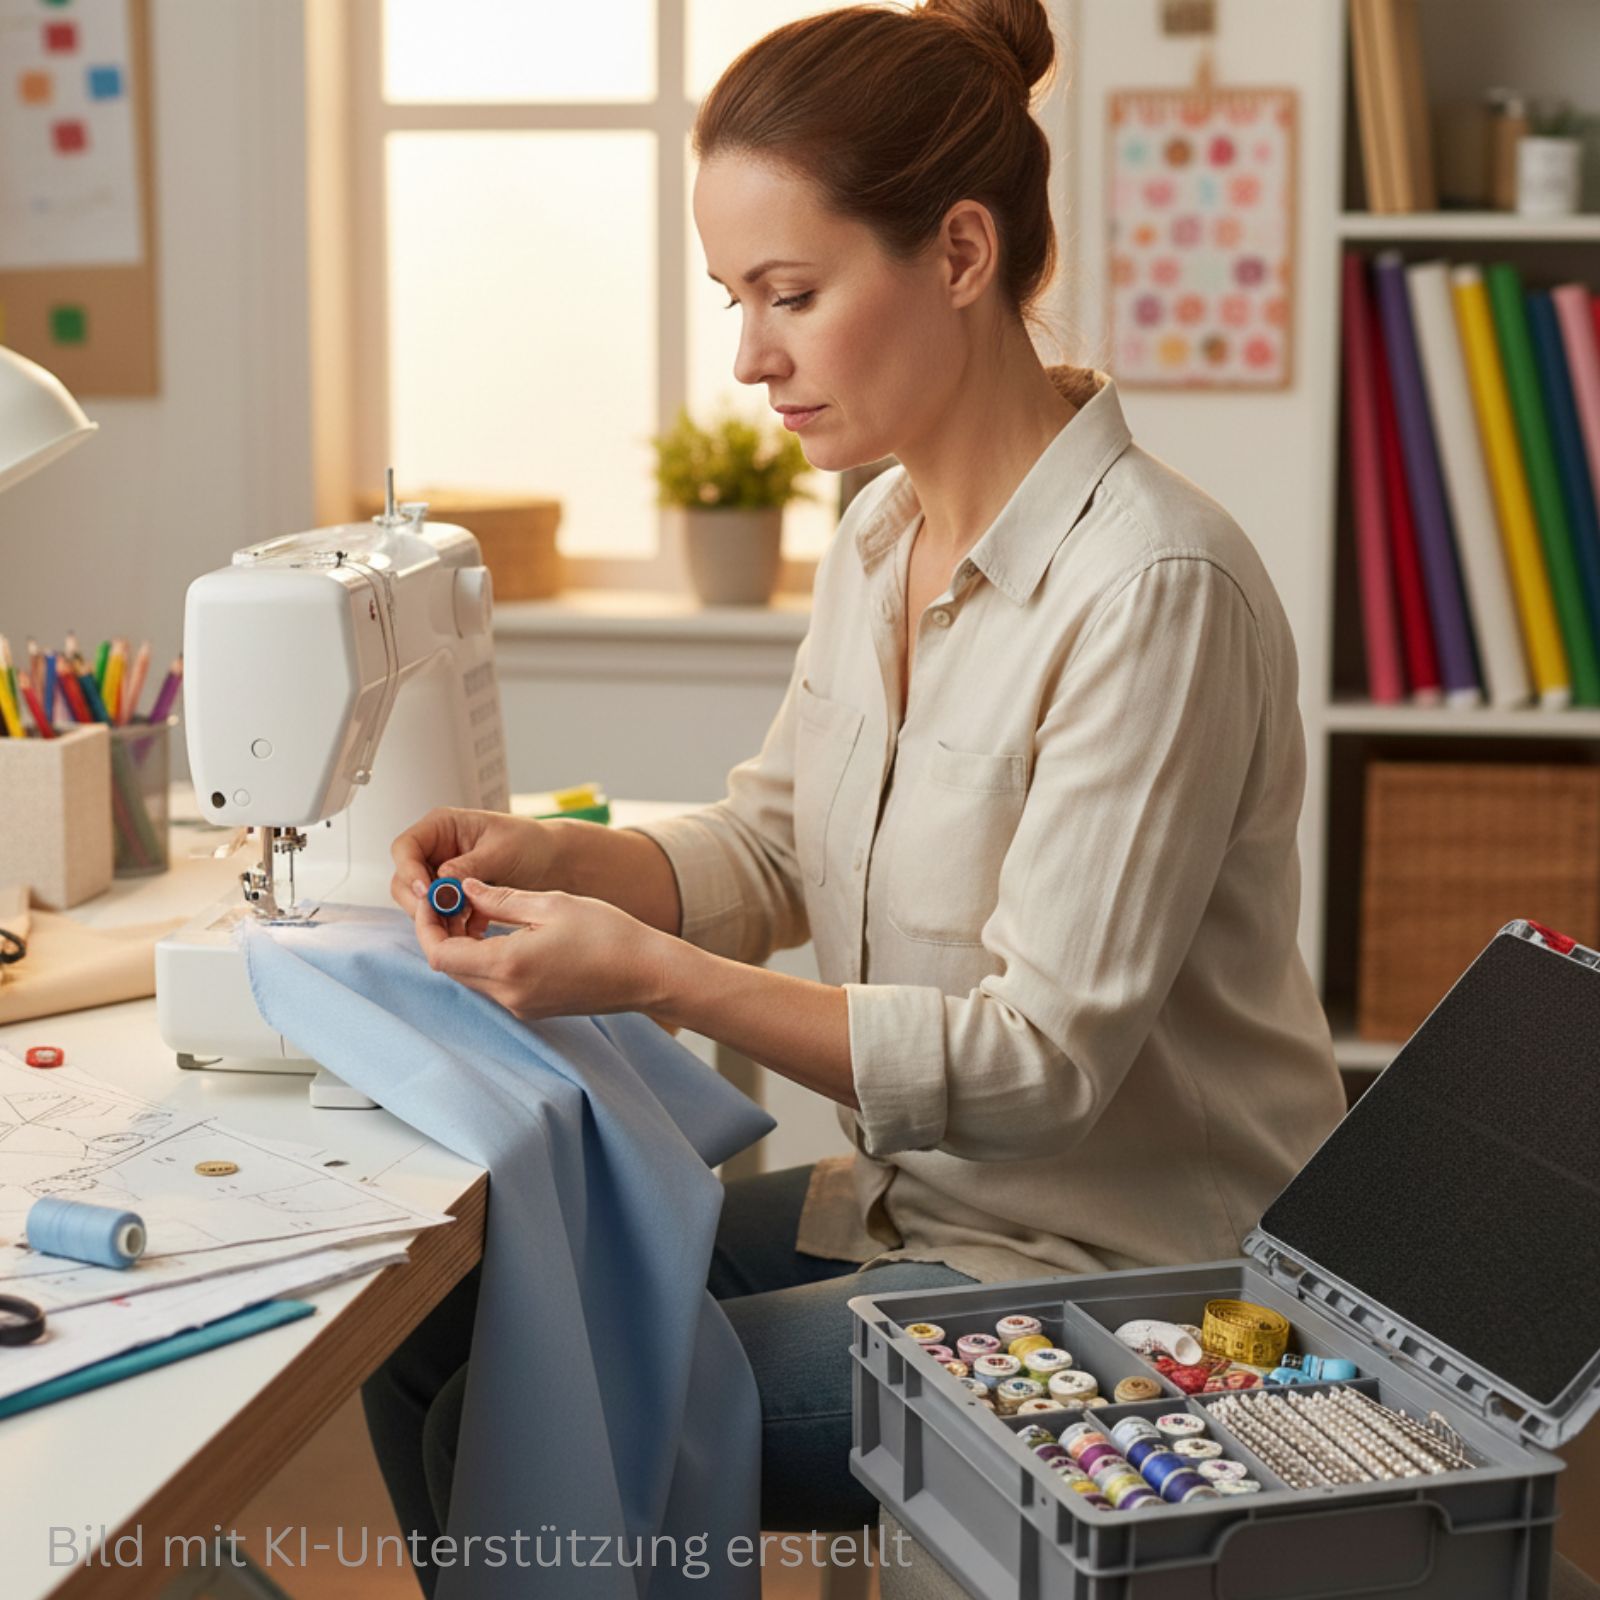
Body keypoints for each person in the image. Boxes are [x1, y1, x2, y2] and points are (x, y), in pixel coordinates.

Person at [362, 0, 1346, 1584]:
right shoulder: (881, 537)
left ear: (959, 254)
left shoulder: (1153, 586)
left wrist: (658, 977)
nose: (749, 358)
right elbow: (771, 841)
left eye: (791, 296)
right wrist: (564, 856)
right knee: (431, 1318)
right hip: (918, 1212)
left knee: (536, 1407)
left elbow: (1038, 1066)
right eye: (734, 300)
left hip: (1148, 1284)